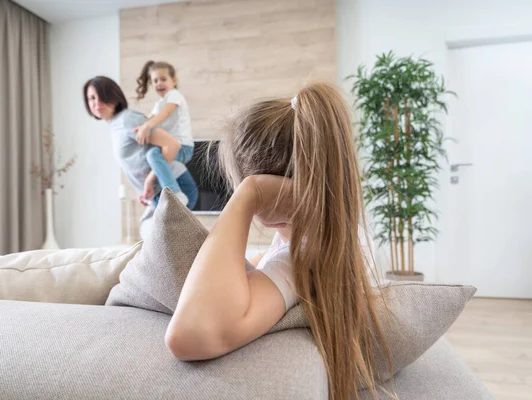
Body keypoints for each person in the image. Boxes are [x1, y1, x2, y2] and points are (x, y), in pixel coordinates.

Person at [164, 83, 390, 399]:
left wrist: (247, 197)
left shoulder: (306, 257)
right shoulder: (334, 234)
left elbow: (190, 335)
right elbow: (257, 268)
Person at [83, 76, 198, 214]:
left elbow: (171, 144)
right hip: (158, 193)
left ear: (114, 96)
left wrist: (149, 180)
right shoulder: (115, 125)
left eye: (102, 96)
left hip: (177, 186)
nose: (97, 103)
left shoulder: (128, 119)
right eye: (92, 98)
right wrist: (142, 189)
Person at [135, 61, 194, 206]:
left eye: (163, 79)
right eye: (155, 80)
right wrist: (140, 127)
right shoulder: (158, 103)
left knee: (153, 154)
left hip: (183, 147)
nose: (159, 83)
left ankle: (175, 193)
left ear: (174, 81)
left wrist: (148, 125)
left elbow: (166, 113)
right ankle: (155, 196)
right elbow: (150, 117)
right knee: (153, 159)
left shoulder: (174, 95)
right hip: (171, 148)